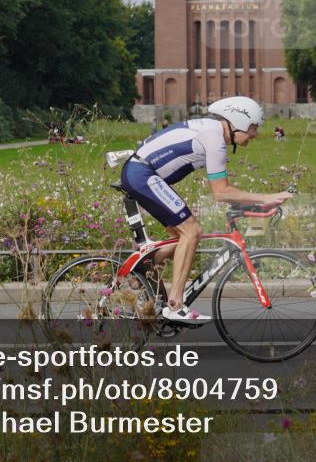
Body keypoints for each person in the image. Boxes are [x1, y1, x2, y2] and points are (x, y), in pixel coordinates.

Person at [119, 96, 292, 323]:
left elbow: (224, 190)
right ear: (238, 121)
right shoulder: (215, 139)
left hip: (141, 173)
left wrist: (253, 201)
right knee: (192, 232)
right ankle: (175, 304)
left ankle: (145, 268)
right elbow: (221, 192)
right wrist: (266, 198)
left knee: (183, 237)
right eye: (252, 127)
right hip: (142, 175)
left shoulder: (213, 131)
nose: (254, 134)